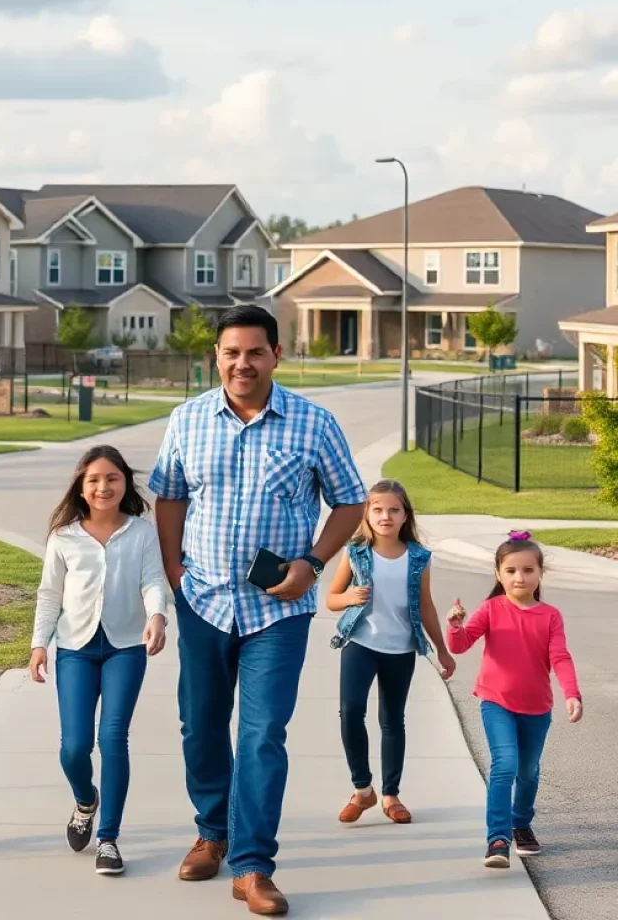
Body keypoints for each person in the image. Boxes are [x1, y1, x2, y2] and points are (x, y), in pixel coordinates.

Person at [149, 305, 367, 917]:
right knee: (200, 724)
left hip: (279, 612)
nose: (241, 363)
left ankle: (253, 866)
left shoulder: (313, 422)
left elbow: (349, 503)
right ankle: (211, 832)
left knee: (263, 732)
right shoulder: (188, 419)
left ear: (276, 354)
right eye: (230, 352)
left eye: (254, 352)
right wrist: (173, 571)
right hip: (204, 601)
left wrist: (314, 564)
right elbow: (169, 494)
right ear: (216, 357)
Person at [29, 446, 168, 877]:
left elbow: (152, 581)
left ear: (124, 482)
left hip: (126, 647)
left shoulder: (142, 532)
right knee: (74, 747)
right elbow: (49, 594)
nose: (103, 487)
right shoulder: (64, 537)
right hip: (75, 649)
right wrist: (38, 644)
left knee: (113, 738)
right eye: (94, 479)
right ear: (81, 486)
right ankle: (86, 800)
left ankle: (108, 839)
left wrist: (157, 616)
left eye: (112, 478)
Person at [446, 532, 583, 869]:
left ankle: (520, 822)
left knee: (528, 772)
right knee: (504, 766)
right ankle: (497, 838)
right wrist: (454, 626)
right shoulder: (491, 609)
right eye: (510, 571)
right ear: (498, 574)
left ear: (539, 574)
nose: (519, 577)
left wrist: (572, 693)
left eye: (527, 570)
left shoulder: (550, 616)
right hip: (496, 702)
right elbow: (461, 645)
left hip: (537, 707)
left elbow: (560, 658)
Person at [326, 480, 456, 826]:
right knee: (351, 712)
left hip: (401, 649)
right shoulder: (355, 552)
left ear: (404, 515)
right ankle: (362, 789)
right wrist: (349, 597)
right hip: (360, 644)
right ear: (366, 513)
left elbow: (425, 605)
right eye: (377, 509)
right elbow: (331, 598)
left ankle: (390, 795)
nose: (385, 516)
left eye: (393, 510)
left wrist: (442, 651)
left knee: (392, 720)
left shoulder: (418, 557)